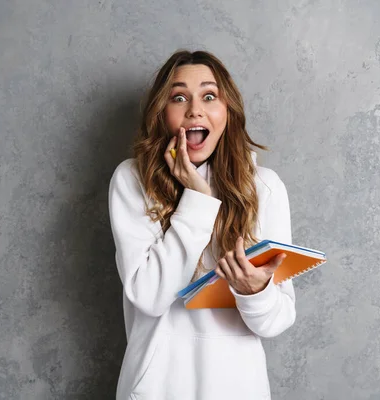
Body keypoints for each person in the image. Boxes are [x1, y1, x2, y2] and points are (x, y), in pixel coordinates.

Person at [108, 50, 296, 400]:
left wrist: (255, 291)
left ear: (227, 112)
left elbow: (277, 321)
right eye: (179, 97)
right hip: (155, 389)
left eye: (209, 96)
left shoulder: (265, 187)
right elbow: (148, 296)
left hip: (239, 389)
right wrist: (199, 199)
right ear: (162, 114)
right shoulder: (132, 179)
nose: (195, 109)